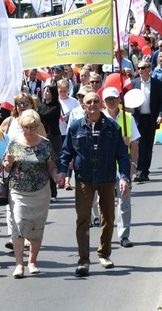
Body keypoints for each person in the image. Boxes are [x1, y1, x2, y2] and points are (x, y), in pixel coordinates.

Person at [56, 92, 130, 276]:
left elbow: (122, 154)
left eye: (96, 101)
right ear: (83, 106)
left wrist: (124, 177)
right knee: (83, 219)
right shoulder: (75, 127)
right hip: (84, 178)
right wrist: (62, 171)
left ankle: (104, 254)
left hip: (106, 178)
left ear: (101, 104)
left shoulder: (112, 126)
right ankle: (83, 260)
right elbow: (66, 152)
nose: (93, 104)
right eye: (89, 102)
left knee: (108, 217)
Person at [0, 110, 56, 279]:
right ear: (21, 126)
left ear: (38, 127)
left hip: (40, 191)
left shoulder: (45, 144)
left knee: (36, 227)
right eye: (25, 127)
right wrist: (8, 163)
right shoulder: (14, 143)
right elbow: (5, 167)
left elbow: (52, 166)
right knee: (18, 224)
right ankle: (19, 264)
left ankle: (32, 262)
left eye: (32, 127)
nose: (29, 130)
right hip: (18, 190)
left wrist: (57, 176)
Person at [101, 88, 139, 248]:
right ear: (104, 101)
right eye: (108, 99)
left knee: (124, 201)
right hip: (104, 167)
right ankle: (106, 234)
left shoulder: (127, 117)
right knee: (104, 204)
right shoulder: (99, 118)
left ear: (119, 100)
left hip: (122, 167)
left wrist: (133, 164)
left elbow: (135, 142)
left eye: (114, 98)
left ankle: (124, 235)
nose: (111, 101)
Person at [131, 60, 162, 182]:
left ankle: (145, 171)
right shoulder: (134, 83)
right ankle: (140, 171)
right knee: (140, 144)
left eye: (143, 68)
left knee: (148, 145)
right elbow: (129, 99)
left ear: (149, 69)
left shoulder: (157, 84)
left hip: (152, 119)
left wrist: (161, 115)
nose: (140, 70)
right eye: (139, 68)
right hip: (138, 119)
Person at [37, 85, 62, 202]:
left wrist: (35, 109)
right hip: (42, 136)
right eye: (44, 90)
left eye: (48, 91)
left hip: (53, 137)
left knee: (52, 163)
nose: (45, 92)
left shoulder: (56, 106)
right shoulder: (41, 106)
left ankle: (53, 192)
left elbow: (44, 115)